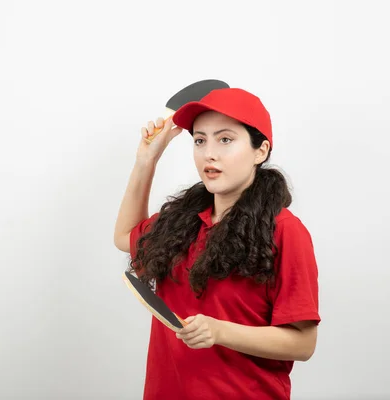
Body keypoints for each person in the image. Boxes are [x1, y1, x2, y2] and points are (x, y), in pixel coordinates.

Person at [113, 87, 320, 400]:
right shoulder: (182, 222)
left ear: (260, 151)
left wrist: (220, 331)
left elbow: (304, 344)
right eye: (200, 140)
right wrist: (146, 160)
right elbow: (124, 236)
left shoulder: (285, 231)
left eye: (225, 139)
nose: (209, 152)